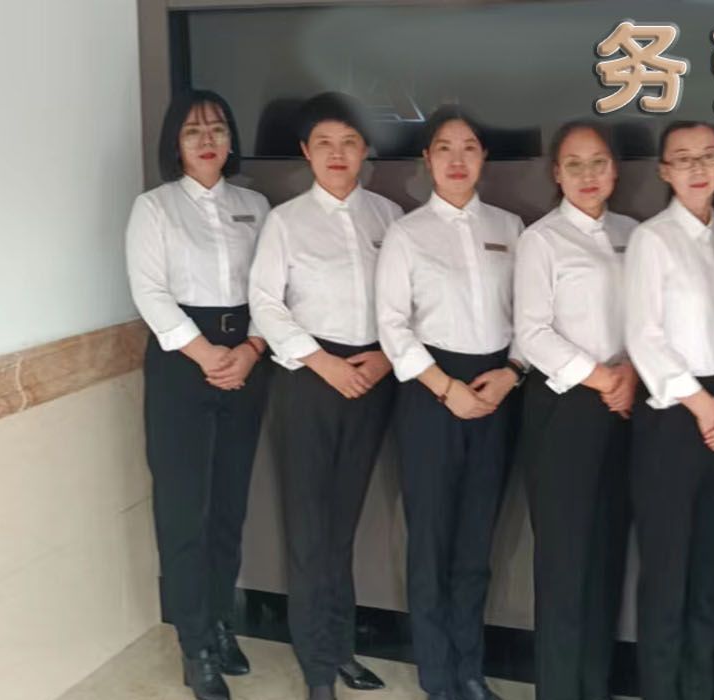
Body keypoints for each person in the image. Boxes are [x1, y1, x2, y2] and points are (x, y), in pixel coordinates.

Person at [246, 92, 400, 700]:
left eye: (349, 143)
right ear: (307, 152)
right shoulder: (285, 221)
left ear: (365, 151)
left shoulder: (389, 217)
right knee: (309, 529)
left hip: (372, 376)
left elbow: (407, 301)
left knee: (342, 527)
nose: (338, 154)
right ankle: (316, 668)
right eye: (325, 144)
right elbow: (266, 304)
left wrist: (385, 358)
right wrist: (321, 363)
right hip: (309, 378)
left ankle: (341, 650)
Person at [375, 107, 524, 700]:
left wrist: (512, 373)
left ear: (483, 157)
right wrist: (444, 387)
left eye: (468, 147)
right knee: (431, 542)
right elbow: (392, 325)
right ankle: (437, 675)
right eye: (444, 147)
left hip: (498, 390)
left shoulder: (511, 227)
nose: (457, 159)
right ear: (427, 159)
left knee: (475, 543)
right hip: (430, 393)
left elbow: (529, 314)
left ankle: (470, 669)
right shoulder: (407, 234)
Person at [126, 88, 270, 700]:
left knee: (229, 505)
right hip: (183, 364)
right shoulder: (155, 208)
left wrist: (252, 349)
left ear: (231, 139)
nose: (207, 139)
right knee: (185, 509)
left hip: (248, 360)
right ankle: (194, 643)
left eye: (217, 128)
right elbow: (151, 293)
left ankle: (219, 622)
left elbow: (273, 287)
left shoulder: (256, 206)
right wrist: (207, 354)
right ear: (175, 143)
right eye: (193, 130)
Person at [513, 119, 641, 700]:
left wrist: (629, 372)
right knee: (565, 564)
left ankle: (595, 684)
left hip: (626, 404)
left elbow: (649, 319)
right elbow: (532, 333)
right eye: (574, 164)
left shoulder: (634, 234)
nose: (588, 175)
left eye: (598, 163)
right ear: (556, 174)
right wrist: (602, 376)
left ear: (614, 170)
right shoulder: (542, 240)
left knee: (607, 557)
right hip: (565, 410)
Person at [625, 120, 714, 700]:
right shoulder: (652, 240)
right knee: (667, 575)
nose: (697, 168)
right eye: (683, 158)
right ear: (664, 171)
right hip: (675, 415)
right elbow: (644, 336)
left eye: (708, 156)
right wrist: (703, 406)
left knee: (709, 574)